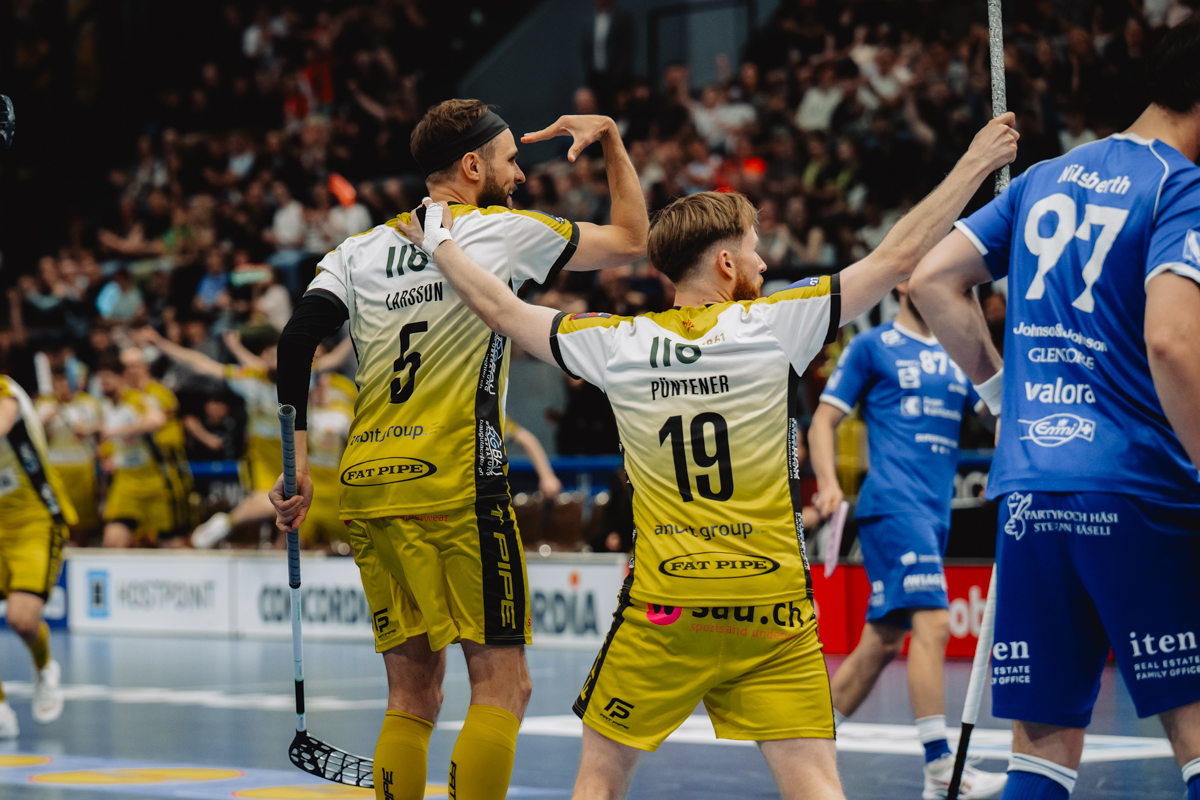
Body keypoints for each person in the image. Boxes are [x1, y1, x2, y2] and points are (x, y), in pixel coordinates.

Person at [390, 110, 1017, 800]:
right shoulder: (779, 324)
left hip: (665, 609)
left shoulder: (617, 342)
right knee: (814, 783)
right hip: (772, 609)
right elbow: (898, 256)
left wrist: (441, 243)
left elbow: (504, 311)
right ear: (725, 263)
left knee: (600, 779)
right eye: (754, 251)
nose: (763, 264)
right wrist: (976, 163)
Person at [269, 99, 648, 800]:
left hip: (369, 486)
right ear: (473, 166)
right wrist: (611, 141)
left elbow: (296, 342)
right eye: (510, 161)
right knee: (504, 687)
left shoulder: (358, 249)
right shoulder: (502, 231)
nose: (520, 176)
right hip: (457, 486)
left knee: (412, 694)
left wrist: (294, 468)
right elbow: (632, 238)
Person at [909, 19, 1200, 800]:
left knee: (1040, 755)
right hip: (1140, 489)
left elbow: (932, 280)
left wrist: (1002, 398)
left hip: (1032, 493)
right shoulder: (1181, 186)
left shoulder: (1045, 176)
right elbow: (1172, 341)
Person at [807, 280, 1004, 799]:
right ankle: (940, 767)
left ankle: (806, 746)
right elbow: (823, 422)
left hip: (934, 512)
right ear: (901, 283)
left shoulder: (958, 351)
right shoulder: (872, 347)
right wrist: (828, 483)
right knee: (934, 622)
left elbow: (999, 411)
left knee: (882, 642)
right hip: (894, 504)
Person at [141, 327, 287, 548]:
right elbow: (200, 364)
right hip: (263, 457)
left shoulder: (307, 376)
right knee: (270, 504)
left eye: (279, 354)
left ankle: (282, 562)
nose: (273, 359)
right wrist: (162, 344)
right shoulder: (251, 378)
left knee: (292, 520)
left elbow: (333, 361)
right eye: (269, 354)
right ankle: (223, 524)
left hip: (301, 455)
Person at [0, 375, 73, 737]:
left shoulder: (5, 390)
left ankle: (44, 666)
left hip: (34, 518)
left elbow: (3, 421)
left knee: (22, 621)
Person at [96, 355, 174, 547]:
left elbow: (157, 421)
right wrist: (105, 455)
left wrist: (122, 431)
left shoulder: (137, 399)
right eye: (101, 380)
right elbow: (106, 440)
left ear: (121, 378)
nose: (104, 384)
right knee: (113, 540)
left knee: (159, 544)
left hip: (152, 481)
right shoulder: (105, 407)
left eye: (108, 379)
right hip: (124, 482)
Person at [119, 347, 193, 545]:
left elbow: (161, 417)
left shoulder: (159, 392)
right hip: (138, 471)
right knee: (140, 535)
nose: (131, 370)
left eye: (135, 365)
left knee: (175, 531)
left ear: (145, 366)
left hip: (168, 467)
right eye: (126, 366)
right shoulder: (125, 396)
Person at [36, 367, 103, 542]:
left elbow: (104, 429)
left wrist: (88, 429)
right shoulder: (43, 405)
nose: (62, 386)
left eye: (65, 381)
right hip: (55, 468)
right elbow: (33, 435)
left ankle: (80, 548)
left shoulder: (89, 403)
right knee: (58, 514)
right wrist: (45, 421)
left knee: (83, 517)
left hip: (82, 466)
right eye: (57, 381)